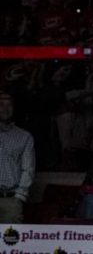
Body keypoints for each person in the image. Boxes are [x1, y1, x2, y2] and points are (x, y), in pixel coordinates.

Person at [0, 91, 34, 224]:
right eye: (1, 104)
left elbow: (28, 169)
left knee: (11, 237)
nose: (6, 108)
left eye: (9, 105)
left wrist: (19, 197)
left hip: (10, 200)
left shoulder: (24, 137)